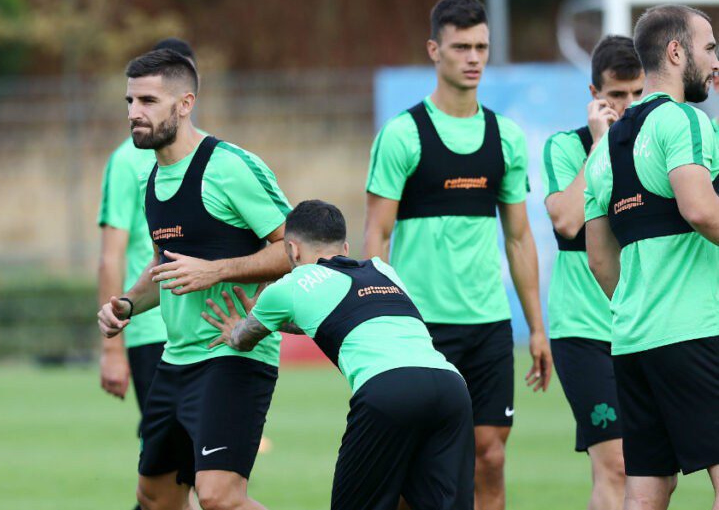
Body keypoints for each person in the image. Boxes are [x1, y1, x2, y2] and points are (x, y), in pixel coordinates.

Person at [363, 0, 551, 508]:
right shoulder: (402, 135)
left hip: (488, 326)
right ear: (434, 50)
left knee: (489, 456)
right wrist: (379, 323)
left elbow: (519, 237)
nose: (473, 58)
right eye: (461, 46)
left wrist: (537, 327)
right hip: (421, 329)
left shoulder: (506, 137)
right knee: (414, 466)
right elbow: (377, 236)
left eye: (481, 47)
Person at [97, 49, 292, 510]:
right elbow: (163, 265)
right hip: (175, 360)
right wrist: (128, 303)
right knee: (155, 497)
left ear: (185, 104)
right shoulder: (151, 179)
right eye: (129, 101)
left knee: (218, 497)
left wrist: (216, 271)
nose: (134, 113)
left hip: (234, 354)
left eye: (148, 101)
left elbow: (294, 249)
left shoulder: (229, 166)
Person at [203, 199, 473, 510]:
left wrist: (236, 329)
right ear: (344, 247)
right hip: (452, 389)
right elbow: (350, 314)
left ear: (292, 250)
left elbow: (243, 338)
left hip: (388, 390)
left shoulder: (290, 285)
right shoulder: (383, 270)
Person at [583, 5, 719, 510]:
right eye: (709, 48)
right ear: (676, 52)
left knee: (645, 490)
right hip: (694, 330)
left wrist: (644, 302)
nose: (715, 62)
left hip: (633, 339)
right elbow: (701, 210)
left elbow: (600, 261)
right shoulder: (683, 119)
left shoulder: (604, 147)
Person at [541, 35, 643, 510]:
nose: (628, 105)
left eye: (638, 92)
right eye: (616, 95)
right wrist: (601, 146)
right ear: (594, 93)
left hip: (645, 325)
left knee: (652, 471)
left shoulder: (660, 148)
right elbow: (566, 220)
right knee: (616, 466)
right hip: (583, 329)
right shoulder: (567, 147)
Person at [97, 37, 198, 510]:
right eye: (134, 99)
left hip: (205, 330)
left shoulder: (211, 158)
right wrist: (112, 347)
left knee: (192, 475)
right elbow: (110, 255)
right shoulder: (128, 161)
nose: (137, 109)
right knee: (170, 475)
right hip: (152, 330)